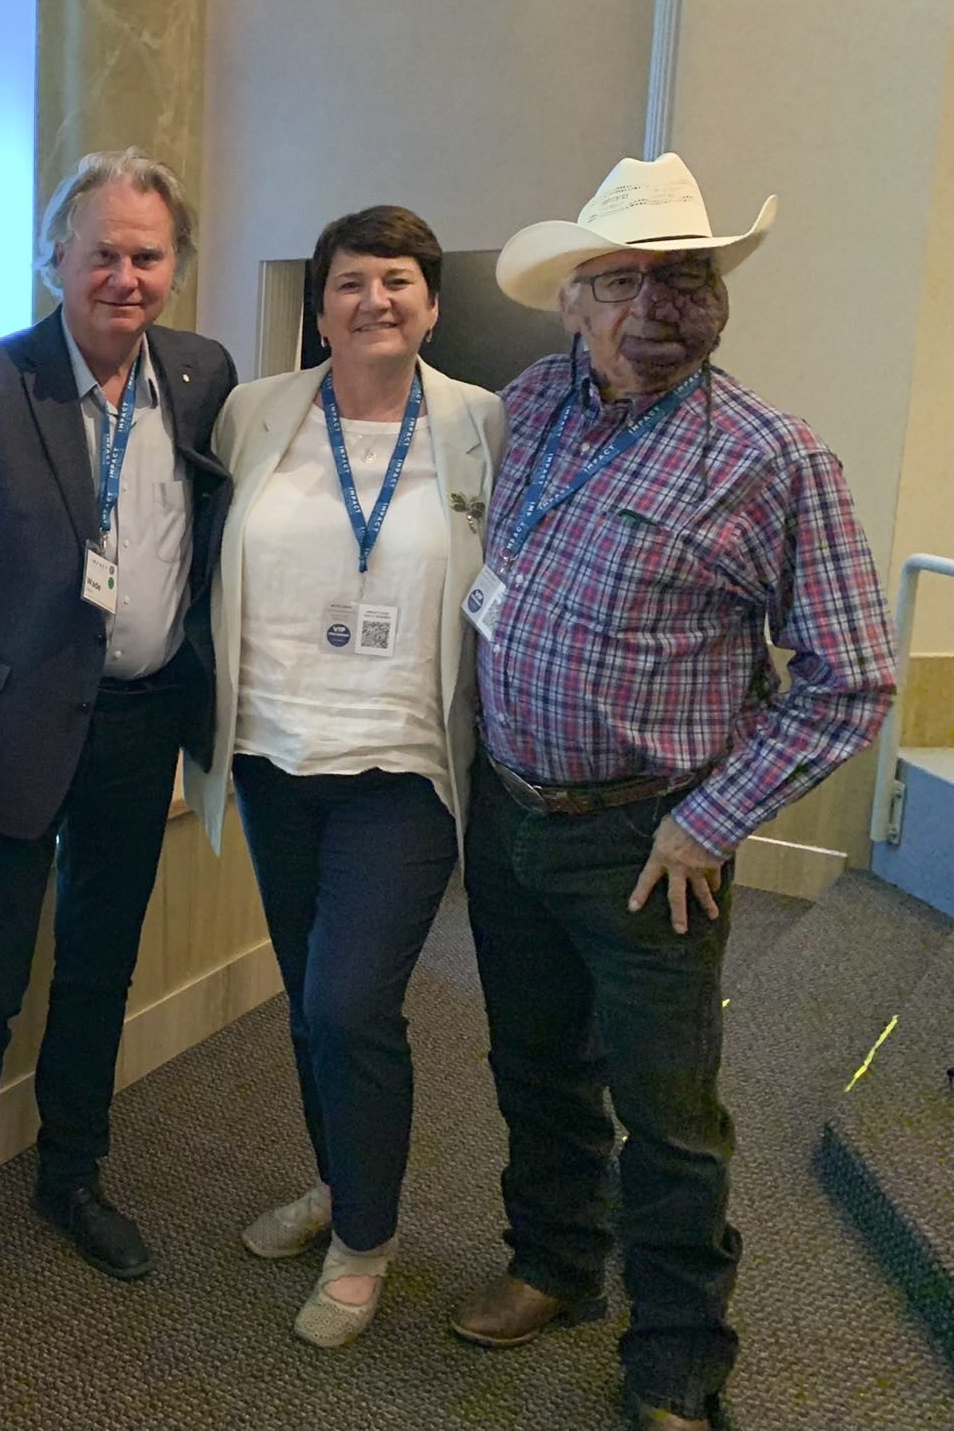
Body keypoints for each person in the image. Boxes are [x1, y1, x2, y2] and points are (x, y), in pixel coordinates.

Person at [456, 153, 896, 1430]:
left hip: (651, 843)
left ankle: (676, 1361)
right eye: (621, 279)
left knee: (668, 1115)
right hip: (509, 815)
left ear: (720, 299)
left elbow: (849, 679)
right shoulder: (530, 403)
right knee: (532, 1065)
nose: (657, 305)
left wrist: (707, 820)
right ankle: (552, 1265)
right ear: (571, 303)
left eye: (687, 279)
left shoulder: (773, 459)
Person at [0, 148, 237, 1329]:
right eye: (103, 252)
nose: (125, 276)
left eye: (148, 256)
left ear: (174, 267)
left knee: (99, 969)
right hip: (3, 740)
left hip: (139, 729)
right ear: (56, 257)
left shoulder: (198, 377)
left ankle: (71, 1175)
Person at [182, 206, 505, 1347]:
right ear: (317, 308)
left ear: (431, 301)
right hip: (275, 759)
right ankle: (336, 1182)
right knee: (309, 1006)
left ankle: (364, 1243)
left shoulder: (482, 425)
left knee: (347, 1004)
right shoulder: (254, 411)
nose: (375, 299)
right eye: (350, 283)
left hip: (401, 771)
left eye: (400, 280)